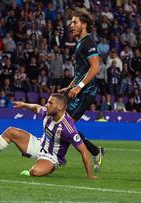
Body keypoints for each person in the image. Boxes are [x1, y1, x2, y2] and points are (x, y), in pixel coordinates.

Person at [0, 94, 97, 180]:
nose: (46, 105)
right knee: (11, 131)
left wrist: (90, 175)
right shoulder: (47, 112)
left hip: (52, 156)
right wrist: (24, 105)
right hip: (39, 144)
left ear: (60, 106)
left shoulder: (68, 128)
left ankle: (39, 167)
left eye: (50, 103)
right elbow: (37, 107)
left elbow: (83, 151)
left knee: (35, 172)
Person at [58, 8, 105, 171]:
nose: (71, 25)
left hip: (86, 92)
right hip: (79, 90)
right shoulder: (80, 42)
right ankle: (95, 151)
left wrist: (78, 87)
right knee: (64, 124)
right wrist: (70, 86)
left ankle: (59, 158)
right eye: (71, 22)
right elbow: (80, 72)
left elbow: (95, 68)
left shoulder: (88, 42)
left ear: (84, 24)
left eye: (75, 22)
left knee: (65, 123)